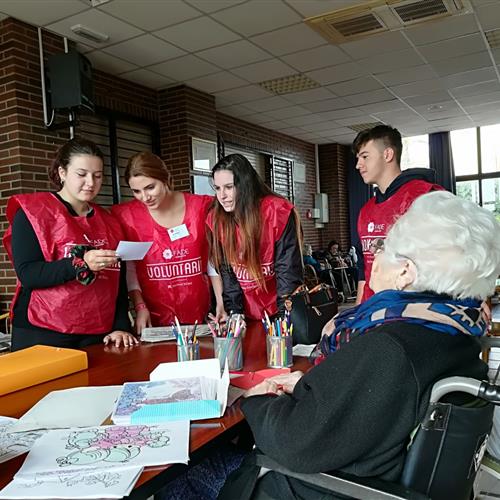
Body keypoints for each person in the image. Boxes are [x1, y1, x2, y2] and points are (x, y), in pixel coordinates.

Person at [214, 191, 500, 499]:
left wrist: (254, 400)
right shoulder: (455, 333)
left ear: (406, 272)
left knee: (192, 474)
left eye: (384, 247)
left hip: (322, 487)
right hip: (372, 471)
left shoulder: (390, 346)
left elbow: (295, 442)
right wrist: (304, 386)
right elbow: (372, 403)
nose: (375, 256)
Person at [3, 137, 136, 351]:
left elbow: (117, 279)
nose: (91, 183)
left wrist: (121, 325)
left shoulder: (109, 221)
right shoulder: (32, 212)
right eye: (81, 174)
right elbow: (28, 273)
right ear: (62, 173)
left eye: (98, 175)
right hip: (43, 329)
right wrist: (81, 263)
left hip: (98, 331)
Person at [112, 152, 225, 333]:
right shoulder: (126, 216)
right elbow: (130, 267)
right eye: (136, 191)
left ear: (165, 178)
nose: (144, 197)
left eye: (150, 187)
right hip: (154, 319)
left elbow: (213, 257)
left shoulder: (200, 207)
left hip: (203, 313)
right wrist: (139, 307)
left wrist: (221, 301)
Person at [207, 153, 303, 321]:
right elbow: (228, 272)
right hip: (246, 312)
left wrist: (283, 317)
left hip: (278, 308)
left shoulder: (276, 211)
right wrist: (235, 313)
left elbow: (287, 270)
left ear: (245, 185)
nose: (222, 196)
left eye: (229, 187)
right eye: (217, 188)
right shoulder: (217, 219)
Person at [353, 124, 442, 304]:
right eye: (357, 158)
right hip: (375, 310)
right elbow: (365, 269)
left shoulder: (424, 196)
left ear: (387, 154)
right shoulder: (366, 211)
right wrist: (359, 312)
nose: (358, 165)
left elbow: (455, 255)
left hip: (414, 309)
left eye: (364, 157)